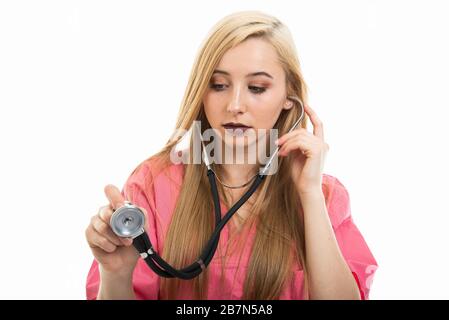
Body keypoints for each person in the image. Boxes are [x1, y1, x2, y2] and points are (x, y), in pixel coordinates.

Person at [85, 10, 378, 300]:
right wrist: (116, 274)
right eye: (219, 85)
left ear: (289, 96)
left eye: (257, 88)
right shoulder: (152, 183)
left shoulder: (323, 194)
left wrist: (309, 193)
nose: (235, 104)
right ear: (201, 90)